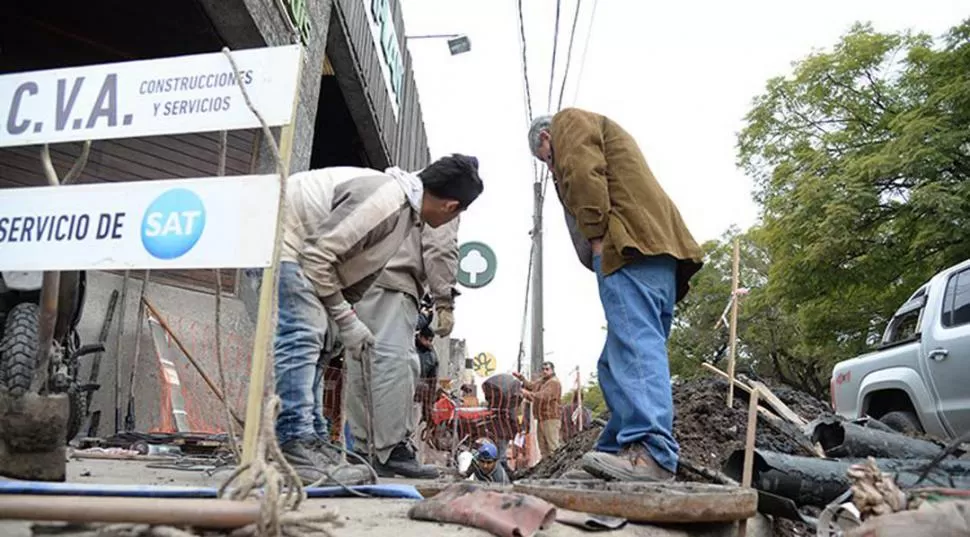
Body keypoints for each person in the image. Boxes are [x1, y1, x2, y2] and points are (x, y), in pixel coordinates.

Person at [272, 154, 484, 485]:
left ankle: (311, 440)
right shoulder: (387, 201)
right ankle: (293, 442)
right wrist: (345, 317)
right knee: (303, 336)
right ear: (451, 206)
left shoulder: (405, 213)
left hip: (305, 251)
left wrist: (343, 319)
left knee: (320, 346)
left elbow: (352, 275)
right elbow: (317, 257)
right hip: (283, 240)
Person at [527, 109, 703, 482]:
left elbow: (581, 171)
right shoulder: (603, 131)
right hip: (657, 256)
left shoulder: (567, 124)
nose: (551, 167)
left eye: (547, 160)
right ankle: (612, 454)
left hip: (626, 250)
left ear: (545, 140)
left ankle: (651, 453)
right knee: (616, 360)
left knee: (635, 348)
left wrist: (595, 236)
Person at [347, 200, 461, 479]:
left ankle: (363, 450)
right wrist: (443, 301)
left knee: (362, 363)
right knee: (395, 365)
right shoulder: (443, 204)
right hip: (395, 285)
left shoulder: (391, 194)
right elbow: (440, 248)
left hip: (361, 283)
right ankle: (391, 450)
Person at [513, 362, 562, 458]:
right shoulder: (542, 381)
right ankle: (547, 470)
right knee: (543, 449)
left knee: (553, 448)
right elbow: (530, 385)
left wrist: (527, 393)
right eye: (543, 369)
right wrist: (521, 378)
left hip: (551, 418)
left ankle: (556, 469)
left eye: (547, 369)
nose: (544, 371)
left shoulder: (554, 382)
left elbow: (543, 396)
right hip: (542, 418)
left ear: (552, 370)